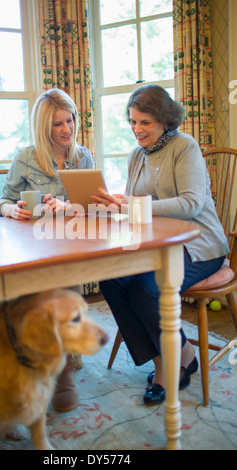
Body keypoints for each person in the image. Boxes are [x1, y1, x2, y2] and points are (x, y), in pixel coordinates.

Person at [92, 84, 229, 405]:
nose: (136, 130)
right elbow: (135, 209)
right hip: (159, 245)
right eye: (132, 122)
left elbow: (192, 204)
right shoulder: (136, 156)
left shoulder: (185, 147)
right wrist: (112, 206)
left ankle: (170, 370)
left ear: (164, 120)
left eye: (145, 122)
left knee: (147, 290)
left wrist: (132, 205)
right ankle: (175, 357)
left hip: (200, 244)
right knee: (111, 280)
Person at [0, 88, 94, 412]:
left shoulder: (83, 157)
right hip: (32, 244)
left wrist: (69, 206)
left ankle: (64, 351)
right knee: (41, 291)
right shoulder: (25, 158)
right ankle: (51, 351)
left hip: (71, 242)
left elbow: (94, 208)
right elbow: (3, 201)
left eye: (70, 120)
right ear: (43, 127)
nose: (67, 129)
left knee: (66, 280)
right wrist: (11, 210)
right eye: (58, 124)